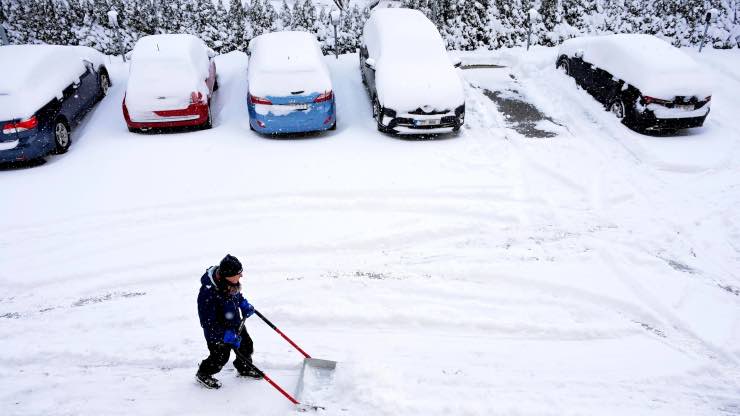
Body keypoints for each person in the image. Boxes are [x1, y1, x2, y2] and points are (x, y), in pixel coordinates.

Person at [196, 254, 262, 389]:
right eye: (238, 273)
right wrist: (224, 335)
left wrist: (243, 304)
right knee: (220, 357)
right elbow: (207, 323)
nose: (241, 275)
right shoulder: (207, 293)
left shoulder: (230, 283)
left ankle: (244, 368)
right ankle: (203, 373)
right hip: (217, 333)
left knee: (246, 345)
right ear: (227, 274)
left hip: (235, 324)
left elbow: (237, 296)